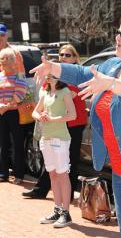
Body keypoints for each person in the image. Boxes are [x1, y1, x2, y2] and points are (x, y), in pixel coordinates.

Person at [30, 10, 121, 238]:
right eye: (118, 32)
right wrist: (53, 68)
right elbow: (81, 73)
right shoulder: (112, 65)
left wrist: (111, 84)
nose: (117, 37)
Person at [22, 44, 87, 200]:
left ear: (75, 58)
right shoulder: (54, 73)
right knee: (50, 159)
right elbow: (46, 92)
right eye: (61, 55)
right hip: (54, 124)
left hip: (73, 122)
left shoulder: (79, 75)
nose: (63, 57)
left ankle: (68, 195)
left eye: (67, 55)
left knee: (69, 160)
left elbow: (70, 94)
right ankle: (41, 190)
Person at [32, 73, 76, 228]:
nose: (48, 77)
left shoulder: (64, 92)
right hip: (46, 138)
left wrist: (53, 118)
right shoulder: (44, 92)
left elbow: (72, 115)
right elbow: (35, 112)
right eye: (46, 75)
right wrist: (40, 116)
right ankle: (57, 210)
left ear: (59, 77)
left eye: (51, 75)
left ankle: (66, 212)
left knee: (63, 175)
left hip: (61, 139)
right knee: (53, 175)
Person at [0, 48, 28, 184]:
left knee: (17, 144)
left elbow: (21, 93)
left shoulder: (19, 75)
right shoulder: (0, 76)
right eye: (2, 58)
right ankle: (3, 173)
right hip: (1, 113)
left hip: (15, 113)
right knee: (3, 144)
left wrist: (7, 106)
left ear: (13, 61)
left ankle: (19, 175)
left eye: (7, 58)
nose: (3, 61)